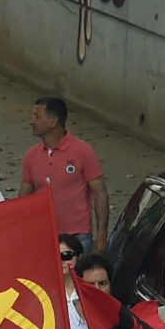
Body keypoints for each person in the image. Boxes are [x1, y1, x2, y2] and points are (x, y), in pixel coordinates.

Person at [20, 96, 106, 245]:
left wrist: (102, 236)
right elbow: (24, 198)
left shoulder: (83, 151)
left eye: (37, 117)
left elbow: (100, 194)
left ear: (53, 121)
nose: (31, 121)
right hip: (42, 236)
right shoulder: (31, 156)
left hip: (77, 237)